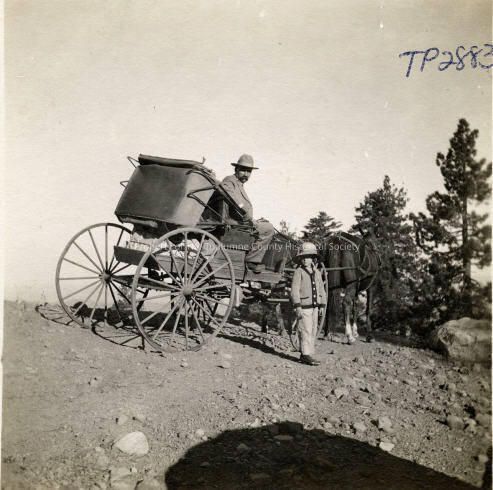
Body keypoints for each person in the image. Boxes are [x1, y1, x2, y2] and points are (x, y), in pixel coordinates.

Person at [221, 154, 275, 273]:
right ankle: (252, 260)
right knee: (268, 229)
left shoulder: (237, 183)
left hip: (240, 221)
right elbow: (235, 201)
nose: (246, 174)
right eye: (243, 170)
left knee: (265, 225)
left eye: (249, 171)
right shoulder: (229, 181)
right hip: (234, 223)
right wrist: (250, 219)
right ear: (236, 169)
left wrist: (253, 219)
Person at [290, 242, 327, 366]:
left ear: (313, 258)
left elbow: (321, 289)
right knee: (305, 329)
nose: (305, 260)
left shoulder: (317, 273)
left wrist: (322, 304)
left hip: (315, 307)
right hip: (304, 307)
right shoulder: (299, 272)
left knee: (312, 329)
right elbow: (295, 290)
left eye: (308, 257)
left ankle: (309, 353)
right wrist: (297, 305)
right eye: (303, 257)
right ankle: (305, 354)